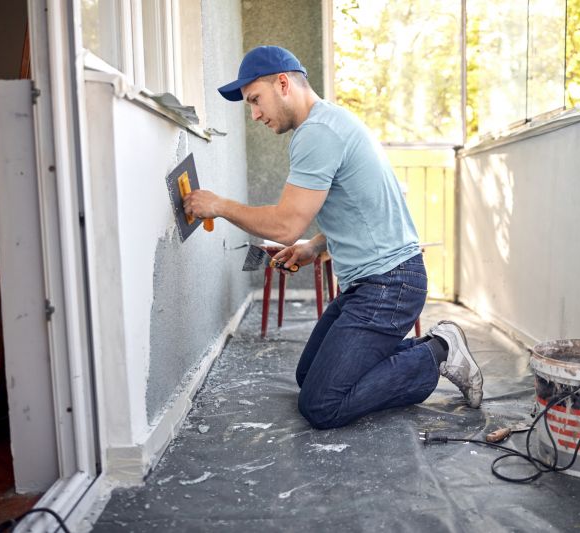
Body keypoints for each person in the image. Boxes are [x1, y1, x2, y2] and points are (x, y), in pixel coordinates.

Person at [184, 45, 483, 429]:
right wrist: (314, 246)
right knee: (308, 378)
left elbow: (285, 224)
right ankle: (424, 353)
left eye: (255, 100)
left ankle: (439, 352)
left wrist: (219, 205)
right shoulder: (332, 122)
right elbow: (359, 207)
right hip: (372, 283)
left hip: (389, 286)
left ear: (282, 83)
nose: (255, 114)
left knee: (322, 404)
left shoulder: (317, 133)